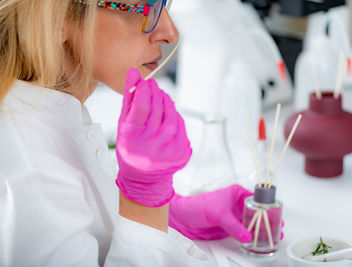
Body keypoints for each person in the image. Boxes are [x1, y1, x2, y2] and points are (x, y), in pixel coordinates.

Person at [0, 0, 264, 266]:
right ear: (58, 18)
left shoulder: (49, 113)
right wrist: (144, 208)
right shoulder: (33, 173)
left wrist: (170, 212)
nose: (170, 32)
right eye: (147, 6)